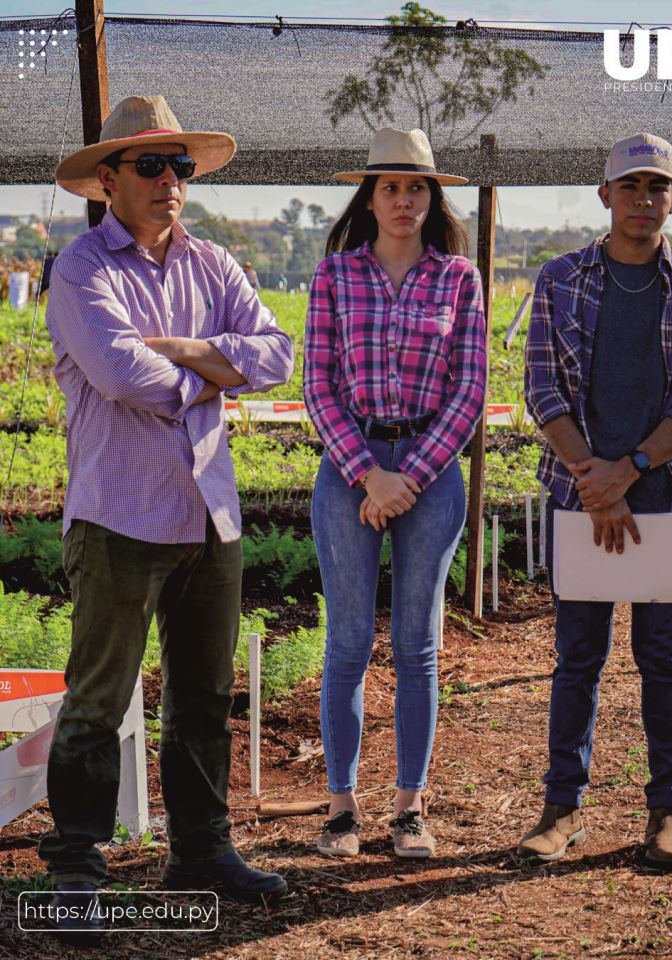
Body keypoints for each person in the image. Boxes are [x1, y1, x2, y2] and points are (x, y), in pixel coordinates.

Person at [39, 95, 294, 942]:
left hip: (208, 514)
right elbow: (122, 378)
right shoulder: (81, 270)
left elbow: (276, 353)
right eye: (150, 165)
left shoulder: (214, 264)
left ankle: (201, 850)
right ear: (107, 179)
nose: (169, 181)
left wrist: (177, 350)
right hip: (119, 518)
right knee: (98, 697)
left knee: (203, 695)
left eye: (179, 166)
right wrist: (211, 368)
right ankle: (76, 865)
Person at [520, 133, 672, 869]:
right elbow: (540, 388)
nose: (644, 199)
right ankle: (561, 807)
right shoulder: (562, 278)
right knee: (578, 656)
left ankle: (667, 811)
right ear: (605, 195)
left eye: (658, 187)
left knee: (661, 656)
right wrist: (592, 478)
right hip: (579, 497)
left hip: (666, 497)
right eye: (631, 186)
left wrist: (630, 469)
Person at [304, 127, 487, 860]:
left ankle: (409, 810)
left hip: (431, 474)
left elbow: (469, 388)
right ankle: (341, 808)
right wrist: (367, 472)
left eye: (417, 187)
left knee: (418, 646)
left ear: (432, 197)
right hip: (349, 473)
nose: (405, 199)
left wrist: (408, 475)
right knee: (347, 643)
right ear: (369, 197)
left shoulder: (458, 279)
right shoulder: (335, 276)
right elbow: (317, 385)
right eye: (391, 187)